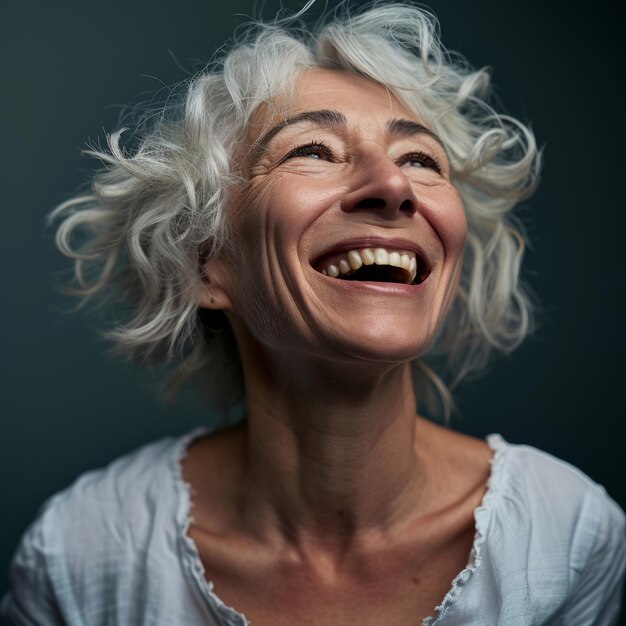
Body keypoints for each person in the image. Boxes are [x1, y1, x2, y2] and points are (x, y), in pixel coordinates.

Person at [2, 2, 625, 625]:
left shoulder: (563, 537)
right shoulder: (81, 554)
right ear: (203, 264)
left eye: (420, 160)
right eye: (314, 151)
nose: (393, 184)